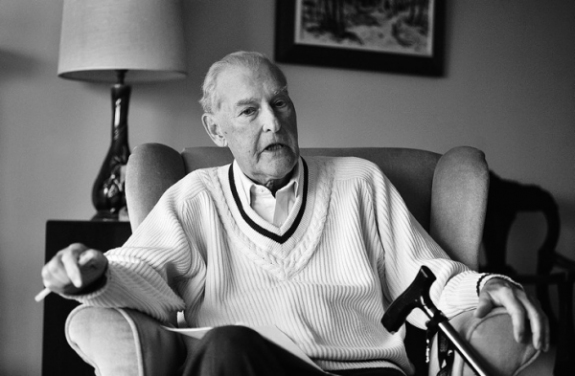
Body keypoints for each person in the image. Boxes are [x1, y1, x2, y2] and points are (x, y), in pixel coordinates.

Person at [41, 51, 549, 376]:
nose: (273, 123)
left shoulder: (359, 182)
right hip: (242, 364)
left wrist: (487, 286)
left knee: (224, 351)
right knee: (226, 348)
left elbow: (430, 277)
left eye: (280, 103)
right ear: (216, 130)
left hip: (360, 372)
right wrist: (94, 273)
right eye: (248, 111)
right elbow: (142, 273)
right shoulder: (197, 197)